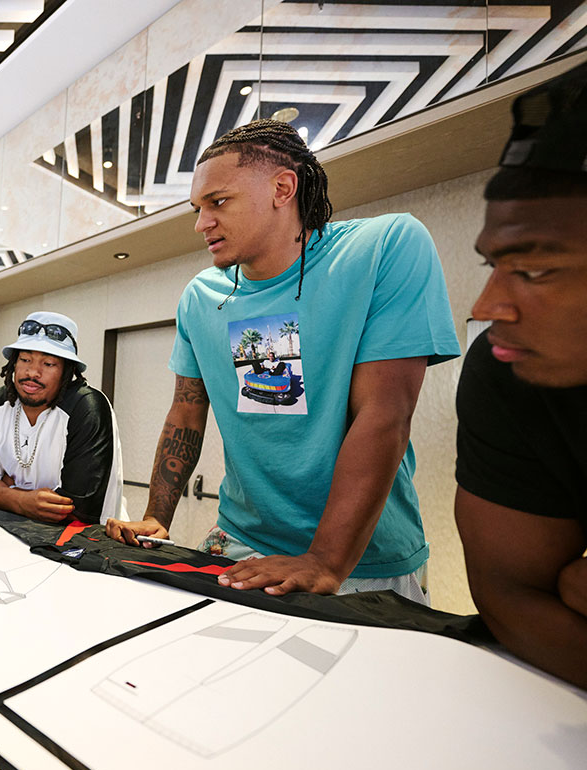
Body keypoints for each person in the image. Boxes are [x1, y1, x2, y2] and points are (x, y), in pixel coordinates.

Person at [106, 118, 460, 603]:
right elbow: (186, 411)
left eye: (218, 201)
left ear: (282, 188)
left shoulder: (383, 247)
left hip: (360, 559)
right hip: (238, 539)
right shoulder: (200, 297)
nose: (201, 223)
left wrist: (325, 560)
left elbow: (385, 414)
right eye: (197, 208)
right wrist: (156, 517)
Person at [455, 62, 587, 690]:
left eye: (535, 271)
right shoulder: (508, 369)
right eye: (495, 265)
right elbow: (511, 598)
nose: (486, 308)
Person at [0, 312, 123, 524]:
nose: (33, 372)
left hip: (82, 537)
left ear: (67, 371)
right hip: (6, 530)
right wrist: (23, 500)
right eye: (25, 359)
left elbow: (75, 508)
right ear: (13, 363)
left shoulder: (86, 407)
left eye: (48, 364)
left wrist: (5, 489)